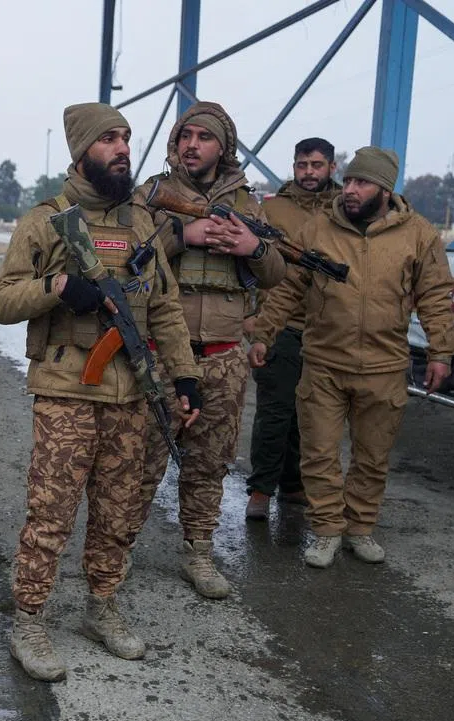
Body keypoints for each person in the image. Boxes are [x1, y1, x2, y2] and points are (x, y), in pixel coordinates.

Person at [0, 103, 202, 681]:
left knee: (118, 511)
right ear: (83, 149)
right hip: (66, 393)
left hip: (133, 393)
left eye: (127, 138)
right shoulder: (45, 218)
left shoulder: (140, 222)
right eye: (109, 138)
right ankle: (29, 618)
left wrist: (185, 377)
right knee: (50, 512)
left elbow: (165, 308)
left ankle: (101, 607)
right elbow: (2, 300)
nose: (122, 148)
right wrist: (59, 287)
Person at [249, 147, 454, 568]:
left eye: (362, 184)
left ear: (384, 189)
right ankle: (326, 530)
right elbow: (289, 287)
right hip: (324, 361)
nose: (351, 191)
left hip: (385, 366)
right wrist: (264, 333)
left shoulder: (419, 234)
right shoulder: (318, 228)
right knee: (319, 453)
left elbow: (435, 296)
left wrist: (441, 353)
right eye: (351, 182)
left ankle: (360, 528)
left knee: (372, 455)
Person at [133, 102, 287, 600]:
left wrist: (253, 249)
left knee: (210, 461)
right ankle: (114, 549)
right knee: (141, 459)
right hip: (160, 352)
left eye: (204, 137)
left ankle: (198, 549)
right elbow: (125, 257)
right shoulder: (150, 197)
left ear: (223, 147)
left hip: (223, 354)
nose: (192, 144)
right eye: (185, 135)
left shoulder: (248, 203)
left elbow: (277, 274)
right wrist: (183, 235)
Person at [244, 138, 341, 520]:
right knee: (275, 412)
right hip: (279, 324)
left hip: (327, 327)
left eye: (317, 165)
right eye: (302, 165)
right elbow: (251, 261)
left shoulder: (344, 210)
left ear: (332, 167)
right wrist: (251, 317)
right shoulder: (274, 210)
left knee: (313, 416)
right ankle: (261, 491)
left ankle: (294, 485)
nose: (309, 172)